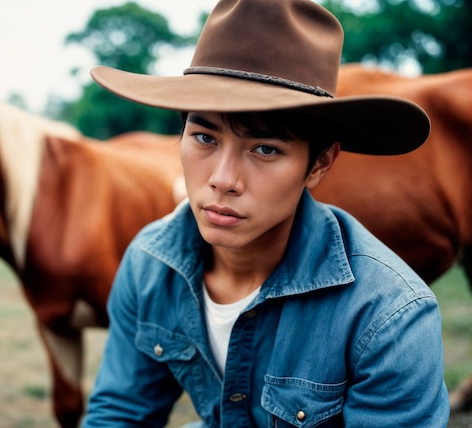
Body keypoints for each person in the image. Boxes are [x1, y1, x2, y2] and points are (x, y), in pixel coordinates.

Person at [83, 0, 450, 426]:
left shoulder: (389, 314)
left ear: (319, 164)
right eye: (204, 137)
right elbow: (120, 412)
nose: (223, 179)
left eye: (265, 149)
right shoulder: (150, 263)